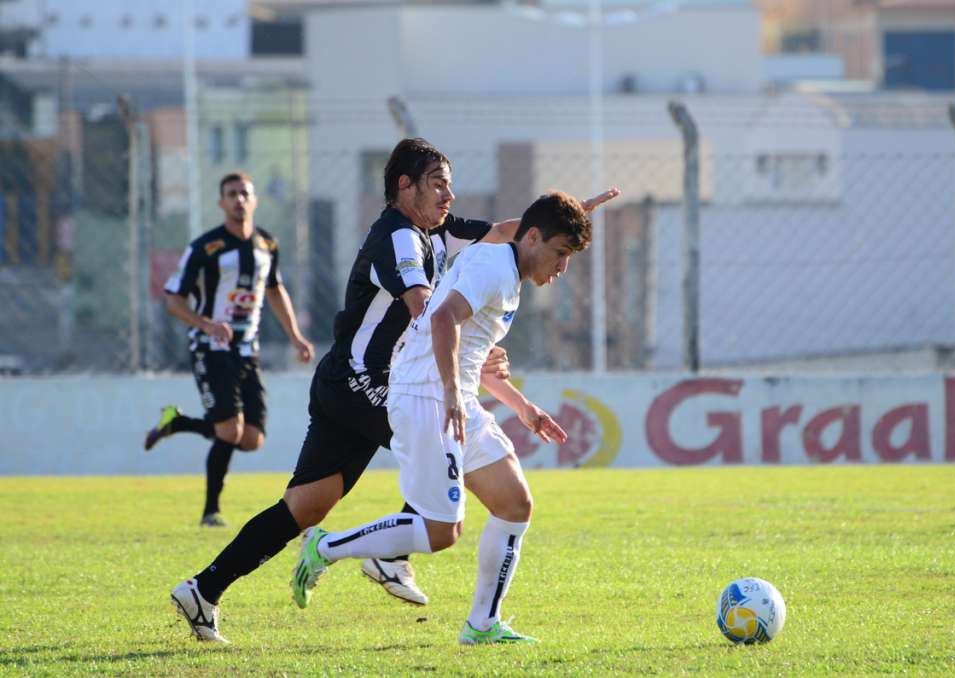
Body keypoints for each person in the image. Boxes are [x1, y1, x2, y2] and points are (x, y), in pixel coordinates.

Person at [168, 138, 618, 644]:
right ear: (404, 187)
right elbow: (429, 310)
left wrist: (570, 215)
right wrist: (468, 355)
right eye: (437, 184)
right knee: (440, 486)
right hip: (369, 380)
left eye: (450, 184)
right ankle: (389, 554)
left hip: (364, 381)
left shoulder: (437, 231)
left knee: (306, 506)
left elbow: (506, 233)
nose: (449, 195)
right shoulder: (399, 237)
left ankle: (204, 589)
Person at [291, 190, 594, 645]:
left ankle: (483, 625)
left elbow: (468, 352)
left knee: (514, 504)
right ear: (532, 237)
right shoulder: (493, 268)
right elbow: (443, 321)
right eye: (560, 253)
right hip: (425, 397)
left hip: (452, 397)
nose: (562, 267)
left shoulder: (506, 271)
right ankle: (325, 547)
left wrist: (522, 408)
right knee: (440, 532)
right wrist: (452, 392)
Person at [145, 172, 314, 527]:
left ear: (254, 201)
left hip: (246, 350)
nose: (239, 199)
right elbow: (173, 299)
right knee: (229, 431)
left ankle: (177, 422)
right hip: (210, 348)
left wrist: (296, 336)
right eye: (231, 194)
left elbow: (274, 291)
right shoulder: (206, 248)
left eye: (244, 193)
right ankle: (210, 512)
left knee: (252, 439)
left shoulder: (267, 245)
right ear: (221, 203)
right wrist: (206, 324)